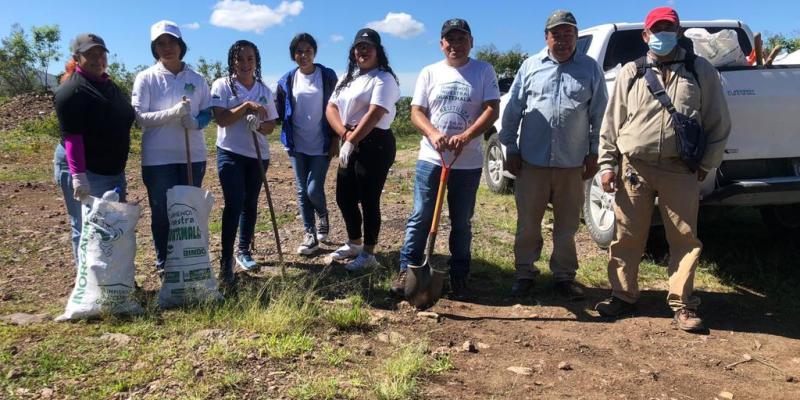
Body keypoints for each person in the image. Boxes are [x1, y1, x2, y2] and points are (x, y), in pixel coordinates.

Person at [594, 6, 731, 332]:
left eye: (668, 28)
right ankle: (623, 295)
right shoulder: (631, 72)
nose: (662, 35)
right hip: (634, 169)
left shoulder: (701, 71)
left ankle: (683, 305)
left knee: (684, 240)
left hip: (679, 170)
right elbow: (611, 123)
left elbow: (718, 123)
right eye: (656, 30)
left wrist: (706, 164)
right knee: (626, 237)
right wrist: (606, 165)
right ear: (645, 35)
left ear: (679, 32)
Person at [500, 10, 608, 300]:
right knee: (528, 223)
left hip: (572, 163)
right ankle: (524, 272)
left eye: (568, 34)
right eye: (556, 34)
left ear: (576, 36)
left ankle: (563, 276)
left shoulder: (590, 69)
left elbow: (600, 115)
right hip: (531, 161)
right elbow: (512, 110)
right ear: (546, 37)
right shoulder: (530, 67)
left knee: (567, 225)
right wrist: (509, 147)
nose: (562, 40)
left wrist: (594, 152)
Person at [394, 18, 500, 298]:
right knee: (421, 216)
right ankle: (408, 269)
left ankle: (460, 275)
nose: (455, 45)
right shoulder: (430, 72)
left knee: (462, 221)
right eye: (450, 40)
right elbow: (416, 111)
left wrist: (466, 136)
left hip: (468, 162)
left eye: (461, 39)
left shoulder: (483, 71)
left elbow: (492, 109)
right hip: (432, 158)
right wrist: (432, 133)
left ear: (471, 42)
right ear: (442, 44)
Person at [132, 20, 212, 274]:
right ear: (154, 48)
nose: (167, 48)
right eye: (161, 44)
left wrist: (195, 122)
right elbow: (141, 118)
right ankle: (165, 263)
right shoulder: (146, 78)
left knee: (187, 211)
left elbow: (209, 112)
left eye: (172, 42)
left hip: (192, 156)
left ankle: (187, 259)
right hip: (157, 159)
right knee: (162, 212)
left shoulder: (197, 79)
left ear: (181, 45)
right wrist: (173, 113)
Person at [53, 33, 136, 267]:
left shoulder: (107, 84)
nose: (98, 59)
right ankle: (89, 284)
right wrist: (78, 176)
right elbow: (73, 137)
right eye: (90, 54)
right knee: (87, 226)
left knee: (111, 225)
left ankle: (112, 279)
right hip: (86, 169)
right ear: (77, 57)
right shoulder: (72, 91)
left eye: (101, 53)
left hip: (112, 170)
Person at [325, 28, 400, 271]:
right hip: (350, 138)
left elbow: (375, 112)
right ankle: (354, 242)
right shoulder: (348, 76)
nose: (363, 51)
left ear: (378, 51)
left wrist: (352, 140)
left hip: (375, 143)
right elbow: (331, 108)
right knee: (344, 196)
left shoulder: (384, 78)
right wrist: (345, 135)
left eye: (368, 47)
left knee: (369, 198)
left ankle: (369, 253)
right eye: (359, 47)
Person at [210, 40, 278, 284]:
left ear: (256, 61)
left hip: (258, 155)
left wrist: (259, 124)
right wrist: (246, 107)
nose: (245, 64)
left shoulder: (264, 89)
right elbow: (222, 119)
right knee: (234, 203)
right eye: (240, 59)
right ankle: (226, 261)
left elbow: (271, 126)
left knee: (250, 203)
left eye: (250, 58)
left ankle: (244, 250)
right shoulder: (222, 85)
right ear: (232, 61)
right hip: (230, 153)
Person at [276, 33, 339, 255]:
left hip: (321, 143)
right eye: (299, 51)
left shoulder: (328, 76)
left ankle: (322, 214)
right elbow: (279, 111)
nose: (304, 55)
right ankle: (310, 234)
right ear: (294, 55)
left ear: (314, 52)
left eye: (308, 51)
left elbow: (337, 107)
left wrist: (335, 138)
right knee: (302, 190)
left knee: (314, 189)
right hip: (296, 144)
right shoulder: (286, 80)